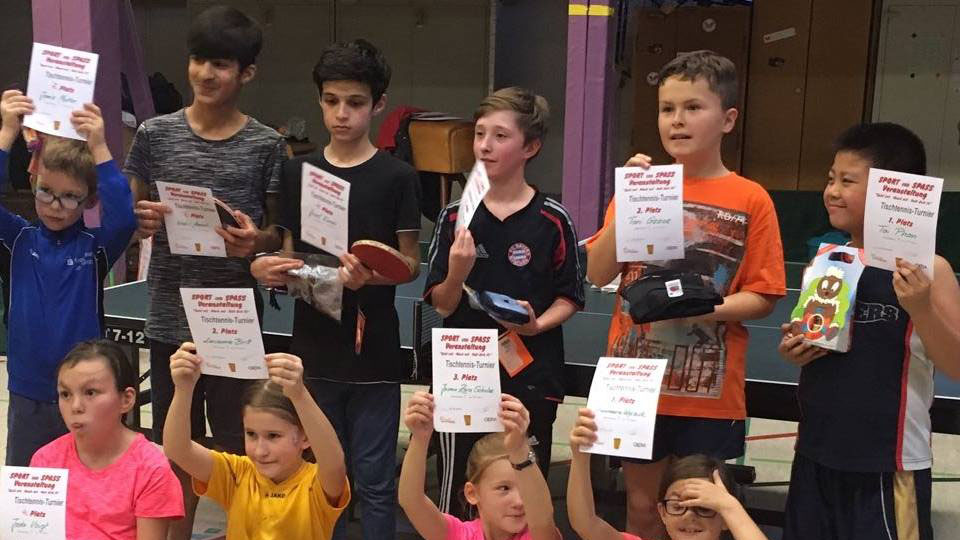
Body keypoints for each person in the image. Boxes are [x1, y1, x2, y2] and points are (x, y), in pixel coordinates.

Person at [585, 50, 786, 538]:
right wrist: (628, 200)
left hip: (708, 394)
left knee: (698, 516)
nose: (677, 120)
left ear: (728, 119)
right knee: (641, 509)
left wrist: (703, 307)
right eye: (667, 108)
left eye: (693, 107)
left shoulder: (751, 198)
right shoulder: (641, 186)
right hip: (634, 384)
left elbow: (764, 296)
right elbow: (597, 271)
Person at [123, 6, 288, 536]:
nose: (205, 74)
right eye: (198, 60)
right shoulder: (154, 134)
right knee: (176, 448)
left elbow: (280, 235)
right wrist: (140, 221)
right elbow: (128, 218)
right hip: (170, 316)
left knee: (243, 447)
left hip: (233, 320)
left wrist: (255, 243)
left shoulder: (266, 145)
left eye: (220, 64)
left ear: (246, 72)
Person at [250, 38, 420, 539]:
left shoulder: (398, 177)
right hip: (313, 351)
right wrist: (266, 267)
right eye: (331, 101)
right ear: (319, 100)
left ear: (378, 104)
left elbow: (410, 263)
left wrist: (372, 275)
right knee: (326, 480)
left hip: (374, 352)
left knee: (375, 482)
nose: (341, 113)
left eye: (355, 102)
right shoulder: (296, 170)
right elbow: (289, 252)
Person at [778, 123, 960, 540]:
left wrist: (921, 307)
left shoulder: (929, 270)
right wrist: (793, 348)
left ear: (891, 191)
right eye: (830, 179)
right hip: (815, 453)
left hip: (888, 462)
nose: (831, 191)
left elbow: (955, 363)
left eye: (847, 181)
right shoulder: (827, 261)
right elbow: (809, 338)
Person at [423, 86, 584, 517]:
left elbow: (571, 295)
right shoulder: (454, 216)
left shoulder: (553, 219)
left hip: (531, 375)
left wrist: (537, 325)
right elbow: (442, 305)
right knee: (459, 497)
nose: (484, 146)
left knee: (523, 498)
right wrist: (457, 272)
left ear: (530, 147)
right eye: (480, 134)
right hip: (462, 377)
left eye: (500, 135)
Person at [0, 89, 136, 466]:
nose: (56, 206)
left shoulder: (96, 246)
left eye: (71, 196)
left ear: (90, 201)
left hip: (85, 393)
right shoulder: (18, 239)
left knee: (86, 481)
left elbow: (125, 218)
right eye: (46, 192)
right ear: (33, 185)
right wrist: (7, 131)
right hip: (28, 392)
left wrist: (99, 146)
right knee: (28, 485)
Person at [163, 343, 350, 539]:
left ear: (305, 437)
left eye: (273, 436)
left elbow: (334, 463)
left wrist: (300, 395)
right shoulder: (237, 473)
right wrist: (183, 389)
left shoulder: (315, 484)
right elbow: (178, 450)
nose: (261, 450)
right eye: (251, 434)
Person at [31, 340, 184, 539]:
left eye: (90, 392)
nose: (75, 406)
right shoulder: (45, 460)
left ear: (126, 399)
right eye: (65, 394)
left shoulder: (151, 469)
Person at [567, 408, 768, 540]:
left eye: (704, 508)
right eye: (677, 506)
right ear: (662, 512)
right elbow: (586, 523)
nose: (689, 516)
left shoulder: (729, 510)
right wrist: (580, 457)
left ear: (725, 518)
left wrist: (729, 505)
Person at [399, 391, 561, 540]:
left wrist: (520, 451)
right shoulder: (458, 535)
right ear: (472, 493)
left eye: (526, 490)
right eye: (504, 488)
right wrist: (420, 439)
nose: (519, 501)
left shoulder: (538, 535)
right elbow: (412, 500)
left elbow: (543, 518)